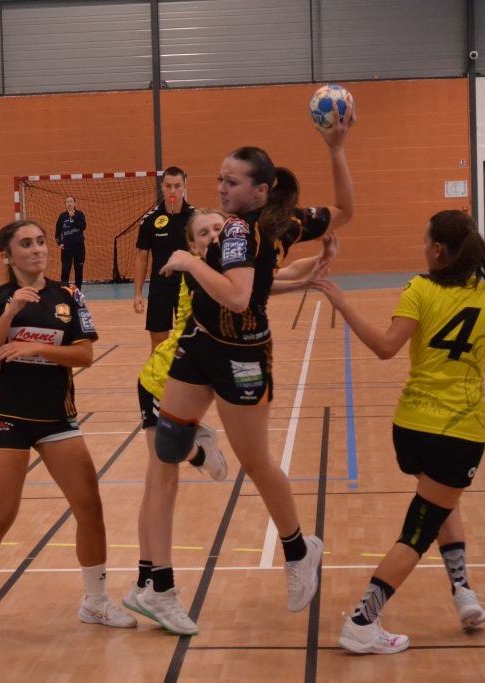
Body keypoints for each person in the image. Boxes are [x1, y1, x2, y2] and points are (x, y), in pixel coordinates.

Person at [153, 109, 355, 616]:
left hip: (242, 355)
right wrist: (335, 150)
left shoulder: (242, 230)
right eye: (220, 179)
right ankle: (200, 442)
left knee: (257, 462)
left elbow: (240, 297)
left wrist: (189, 261)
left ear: (261, 189)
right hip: (201, 341)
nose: (222, 189)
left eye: (233, 182)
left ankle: (299, 551)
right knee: (169, 441)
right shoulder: (282, 220)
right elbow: (344, 211)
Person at [313, 210, 485, 655]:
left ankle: (463, 591)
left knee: (440, 501)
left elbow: (385, 347)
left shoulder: (419, 288)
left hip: (410, 429)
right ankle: (362, 621)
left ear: (438, 250)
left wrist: (343, 302)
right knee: (417, 532)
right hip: (458, 434)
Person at [125, 211, 341, 635]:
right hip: (163, 382)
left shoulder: (222, 269)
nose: (213, 235)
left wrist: (313, 267)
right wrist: (299, 277)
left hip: (192, 384)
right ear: (192, 246)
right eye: (203, 232)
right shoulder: (198, 272)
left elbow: (264, 280)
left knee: (161, 482)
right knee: (160, 484)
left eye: (218, 229)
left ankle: (147, 582)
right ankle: (155, 584)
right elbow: (246, 289)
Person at [0, 220, 135, 631]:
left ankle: (96, 601)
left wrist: (35, 347)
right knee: (2, 514)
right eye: (26, 244)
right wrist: (11, 313)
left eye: (41, 242)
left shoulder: (69, 295)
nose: (37, 249)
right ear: (7, 256)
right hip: (7, 417)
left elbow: (84, 356)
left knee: (89, 508)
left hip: (56, 419)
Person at [134, 167, 194, 352]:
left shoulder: (196, 218)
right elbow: (141, 257)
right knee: (159, 347)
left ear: (184, 186)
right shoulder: (150, 220)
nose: (173, 191)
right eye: (168, 186)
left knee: (190, 346)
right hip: (160, 289)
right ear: (162, 187)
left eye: (177, 186)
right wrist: (138, 293)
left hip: (188, 289)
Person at [55, 196, 86, 288]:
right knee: (65, 269)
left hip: (79, 247)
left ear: (74, 203)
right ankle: (64, 291)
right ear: (65, 204)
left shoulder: (80, 214)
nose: (69, 203)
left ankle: (78, 291)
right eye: (67, 202)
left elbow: (83, 226)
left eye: (71, 201)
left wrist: (74, 217)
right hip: (67, 247)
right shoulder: (62, 216)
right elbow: (57, 233)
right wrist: (59, 243)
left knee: (79, 269)